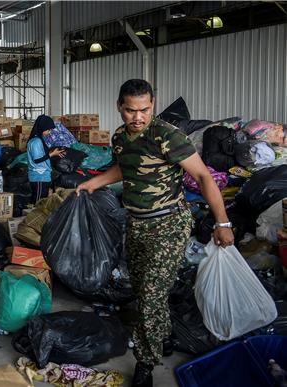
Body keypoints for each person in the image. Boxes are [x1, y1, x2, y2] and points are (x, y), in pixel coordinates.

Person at [76, 79, 234, 387]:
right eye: (130, 110)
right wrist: (93, 183)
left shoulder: (167, 136)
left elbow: (202, 175)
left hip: (168, 224)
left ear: (152, 105)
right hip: (136, 222)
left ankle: (146, 364)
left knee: (149, 296)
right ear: (119, 107)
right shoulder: (121, 137)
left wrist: (223, 223)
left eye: (144, 110)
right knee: (145, 288)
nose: (138, 117)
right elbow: (127, 167)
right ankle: (162, 336)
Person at [27, 115, 65, 203]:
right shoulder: (36, 141)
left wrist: (55, 153)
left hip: (43, 176)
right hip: (39, 176)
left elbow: (43, 154)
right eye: (48, 130)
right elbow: (37, 159)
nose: (49, 132)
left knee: (41, 203)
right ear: (42, 127)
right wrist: (52, 154)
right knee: (37, 204)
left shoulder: (40, 140)